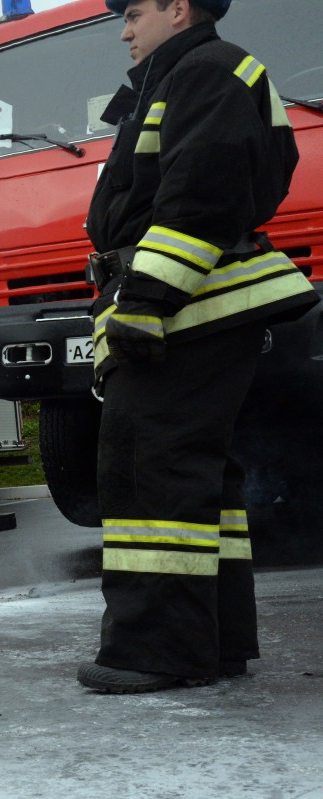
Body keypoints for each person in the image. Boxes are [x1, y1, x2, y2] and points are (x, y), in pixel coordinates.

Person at [77, 0, 318, 692]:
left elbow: (199, 198)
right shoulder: (186, 76)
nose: (124, 29)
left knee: (150, 466)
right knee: (198, 477)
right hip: (194, 307)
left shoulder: (207, 73)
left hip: (188, 308)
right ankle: (215, 641)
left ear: (178, 9)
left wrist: (147, 301)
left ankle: (156, 649)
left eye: (135, 12)